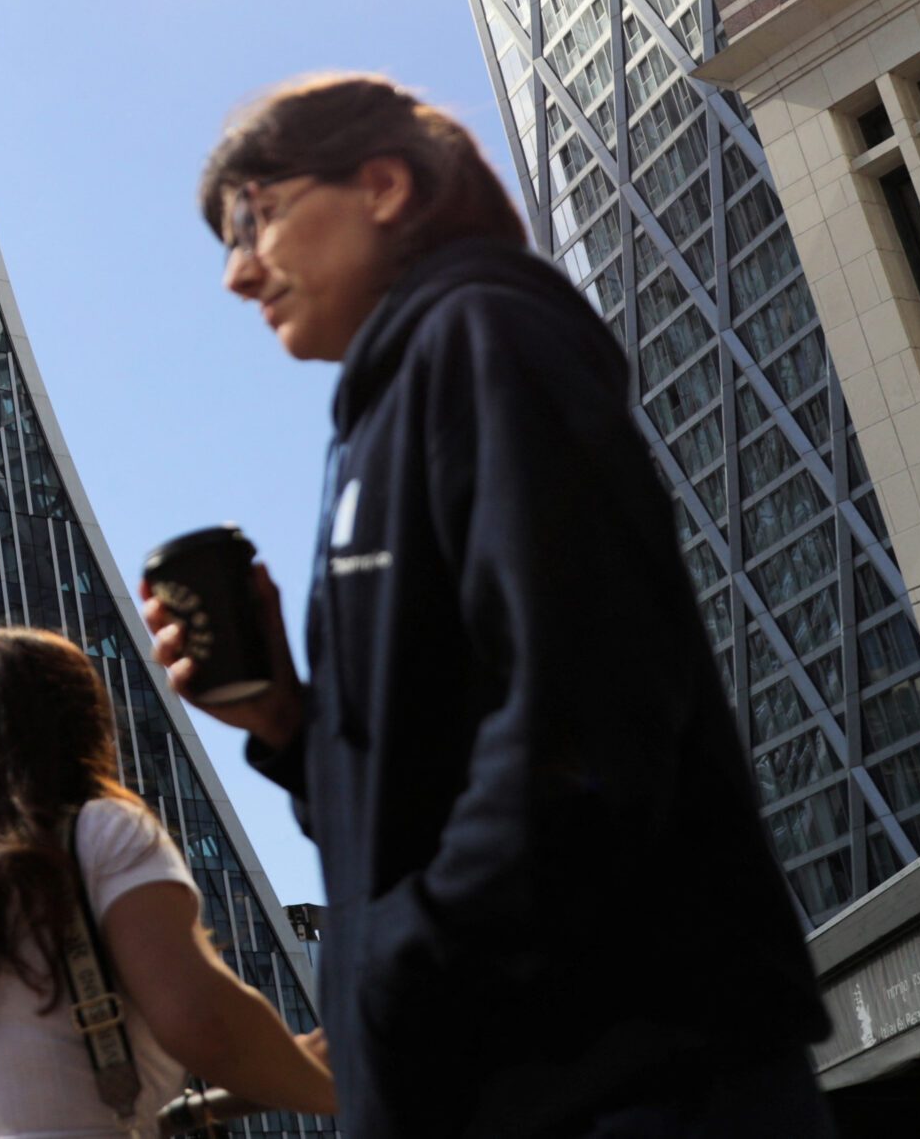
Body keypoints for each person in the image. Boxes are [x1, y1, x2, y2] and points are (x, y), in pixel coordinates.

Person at [142, 73, 835, 1139]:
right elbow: (426, 789)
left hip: (612, 1080)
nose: (238, 272)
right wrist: (288, 725)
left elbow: (584, 715)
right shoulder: (384, 410)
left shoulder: (485, 337)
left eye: (254, 215)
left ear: (380, 185)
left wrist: (395, 969)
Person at [0, 626, 336, 1138]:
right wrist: (334, 1083)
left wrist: (289, 1058)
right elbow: (205, 1024)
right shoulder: (100, 831)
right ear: (83, 727)